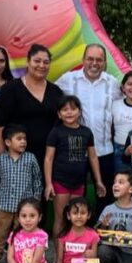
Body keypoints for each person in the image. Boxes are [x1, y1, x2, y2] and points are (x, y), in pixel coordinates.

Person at [57, 43, 121, 212]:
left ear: (105, 62)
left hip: (104, 150)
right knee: (76, 198)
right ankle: (75, 229)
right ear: (83, 60)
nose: (94, 63)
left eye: (99, 60)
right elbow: (50, 97)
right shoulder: (68, 80)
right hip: (75, 151)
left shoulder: (112, 83)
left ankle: (100, 227)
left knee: (105, 197)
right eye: (90, 59)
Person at [0, 125, 44, 263]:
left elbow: (37, 179)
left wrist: (36, 199)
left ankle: (20, 262)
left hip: (24, 210)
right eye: (19, 139)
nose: (23, 142)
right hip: (4, 207)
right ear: (7, 142)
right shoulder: (0, 160)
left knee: (21, 236)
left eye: (24, 139)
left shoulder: (30, 158)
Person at [0, 44, 64, 167]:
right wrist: (3, 160)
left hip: (50, 160)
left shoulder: (56, 91)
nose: (41, 65)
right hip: (17, 161)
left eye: (46, 62)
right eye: (37, 61)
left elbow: (61, 125)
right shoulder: (10, 89)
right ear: (28, 61)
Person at [44, 96, 106, 234]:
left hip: (79, 183)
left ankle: (73, 246)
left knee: (75, 219)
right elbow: (48, 158)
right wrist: (48, 184)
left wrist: (98, 181)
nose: (69, 112)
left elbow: (93, 157)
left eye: (73, 109)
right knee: (60, 218)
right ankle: (59, 248)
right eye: (64, 110)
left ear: (79, 111)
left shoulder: (86, 132)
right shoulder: (56, 132)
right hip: (60, 181)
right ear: (59, 114)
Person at [55, 197, 100, 263]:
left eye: (83, 213)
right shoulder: (63, 236)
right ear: (68, 215)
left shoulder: (93, 235)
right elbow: (58, 261)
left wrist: (91, 255)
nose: (79, 216)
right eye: (75, 213)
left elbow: (94, 258)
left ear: (88, 215)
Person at [110, 71, 132, 173]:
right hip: (119, 150)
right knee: (121, 180)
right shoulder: (114, 105)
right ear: (123, 87)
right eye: (129, 84)